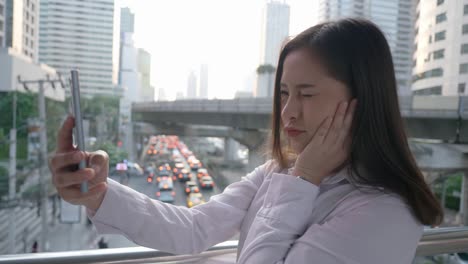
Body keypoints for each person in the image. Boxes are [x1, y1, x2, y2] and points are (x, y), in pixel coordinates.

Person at [49, 18, 443, 263]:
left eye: (306, 94)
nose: (288, 111)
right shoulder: (281, 172)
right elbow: (194, 227)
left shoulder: (384, 211)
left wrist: (304, 181)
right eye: (284, 93)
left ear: (361, 102)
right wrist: (97, 193)